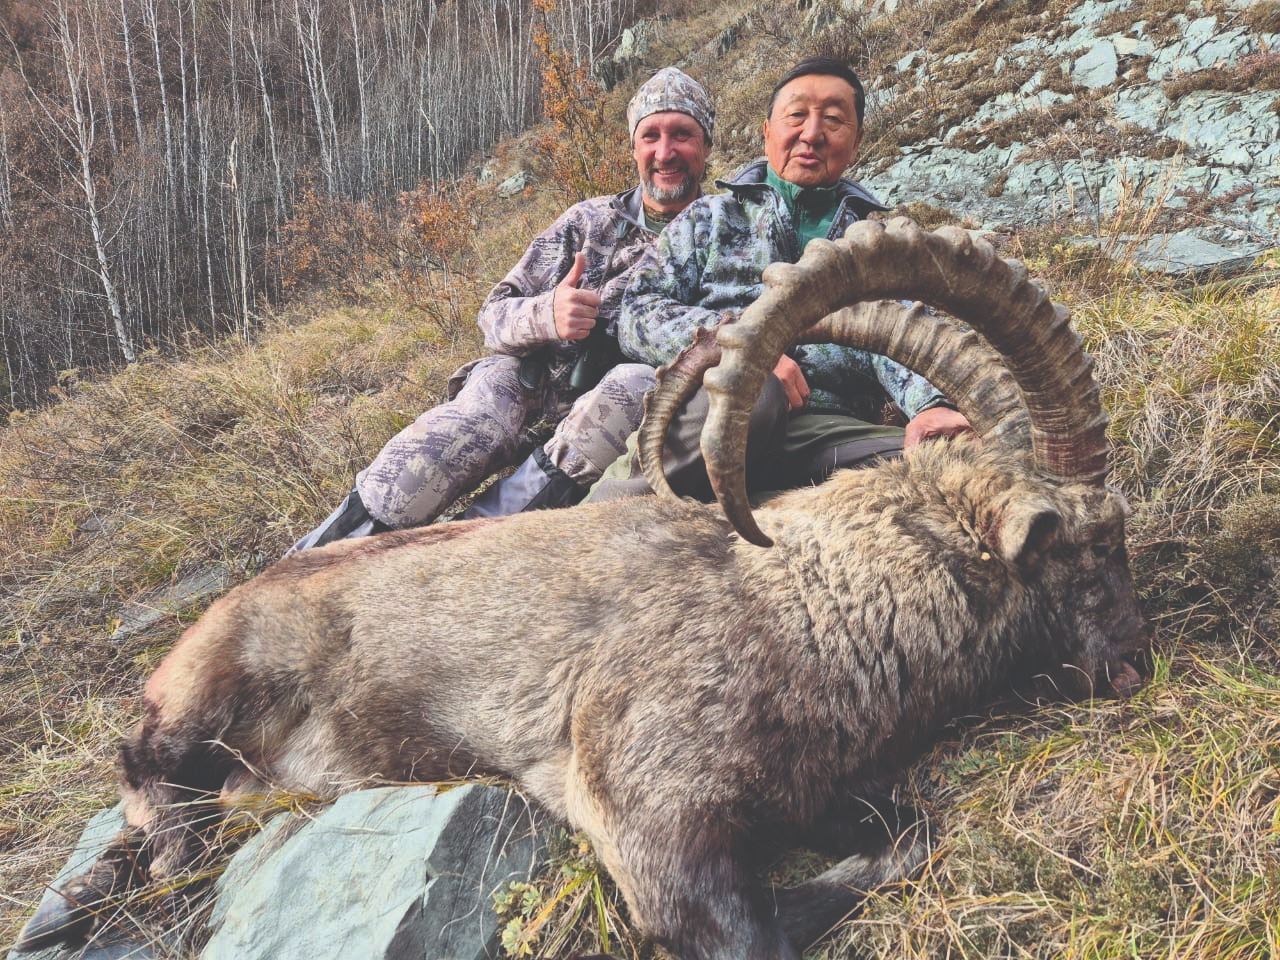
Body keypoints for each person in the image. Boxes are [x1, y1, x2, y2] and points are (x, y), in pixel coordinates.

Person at [288, 67, 715, 553]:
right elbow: (493, 315)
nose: (665, 152)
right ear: (634, 147)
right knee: (449, 441)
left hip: (608, 411)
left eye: (682, 135)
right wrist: (547, 314)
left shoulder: (722, 236)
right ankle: (309, 564)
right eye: (651, 136)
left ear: (706, 144)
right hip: (524, 380)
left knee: (619, 399)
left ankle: (453, 559)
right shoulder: (588, 221)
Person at [589, 56, 971, 502]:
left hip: (820, 431)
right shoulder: (708, 218)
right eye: (796, 115)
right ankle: (599, 520)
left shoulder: (874, 244)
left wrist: (932, 405)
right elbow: (638, 312)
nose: (812, 133)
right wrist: (747, 350)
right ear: (767, 131)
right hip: (715, 407)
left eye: (834, 120)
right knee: (757, 390)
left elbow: (904, 328)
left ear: (856, 142)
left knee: (947, 463)